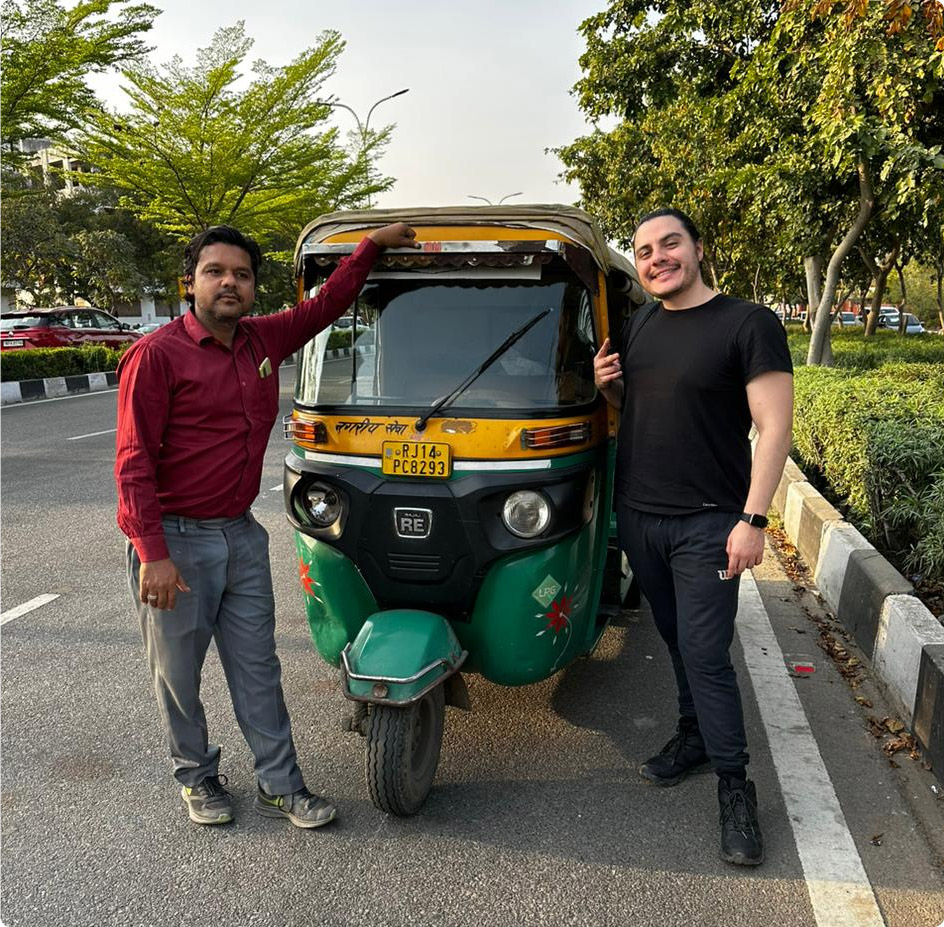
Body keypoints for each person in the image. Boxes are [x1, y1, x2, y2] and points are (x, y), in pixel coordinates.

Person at [115, 220, 419, 828]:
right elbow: (133, 461)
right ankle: (197, 777)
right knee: (178, 675)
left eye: (242, 274)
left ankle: (280, 784)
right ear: (190, 284)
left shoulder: (261, 342)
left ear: (253, 287)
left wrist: (372, 247)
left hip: (240, 534)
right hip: (174, 541)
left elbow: (328, 304)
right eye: (215, 272)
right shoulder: (156, 357)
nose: (229, 282)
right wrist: (152, 552)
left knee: (258, 667)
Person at [593, 208, 793, 866]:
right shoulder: (642, 323)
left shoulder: (748, 323)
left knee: (706, 651)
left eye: (669, 243)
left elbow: (773, 426)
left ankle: (735, 788)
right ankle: (693, 735)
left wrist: (753, 519)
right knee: (678, 638)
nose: (656, 258)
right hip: (642, 515)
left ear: (698, 248)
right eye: (645, 250)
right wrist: (611, 390)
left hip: (709, 522)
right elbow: (645, 410)